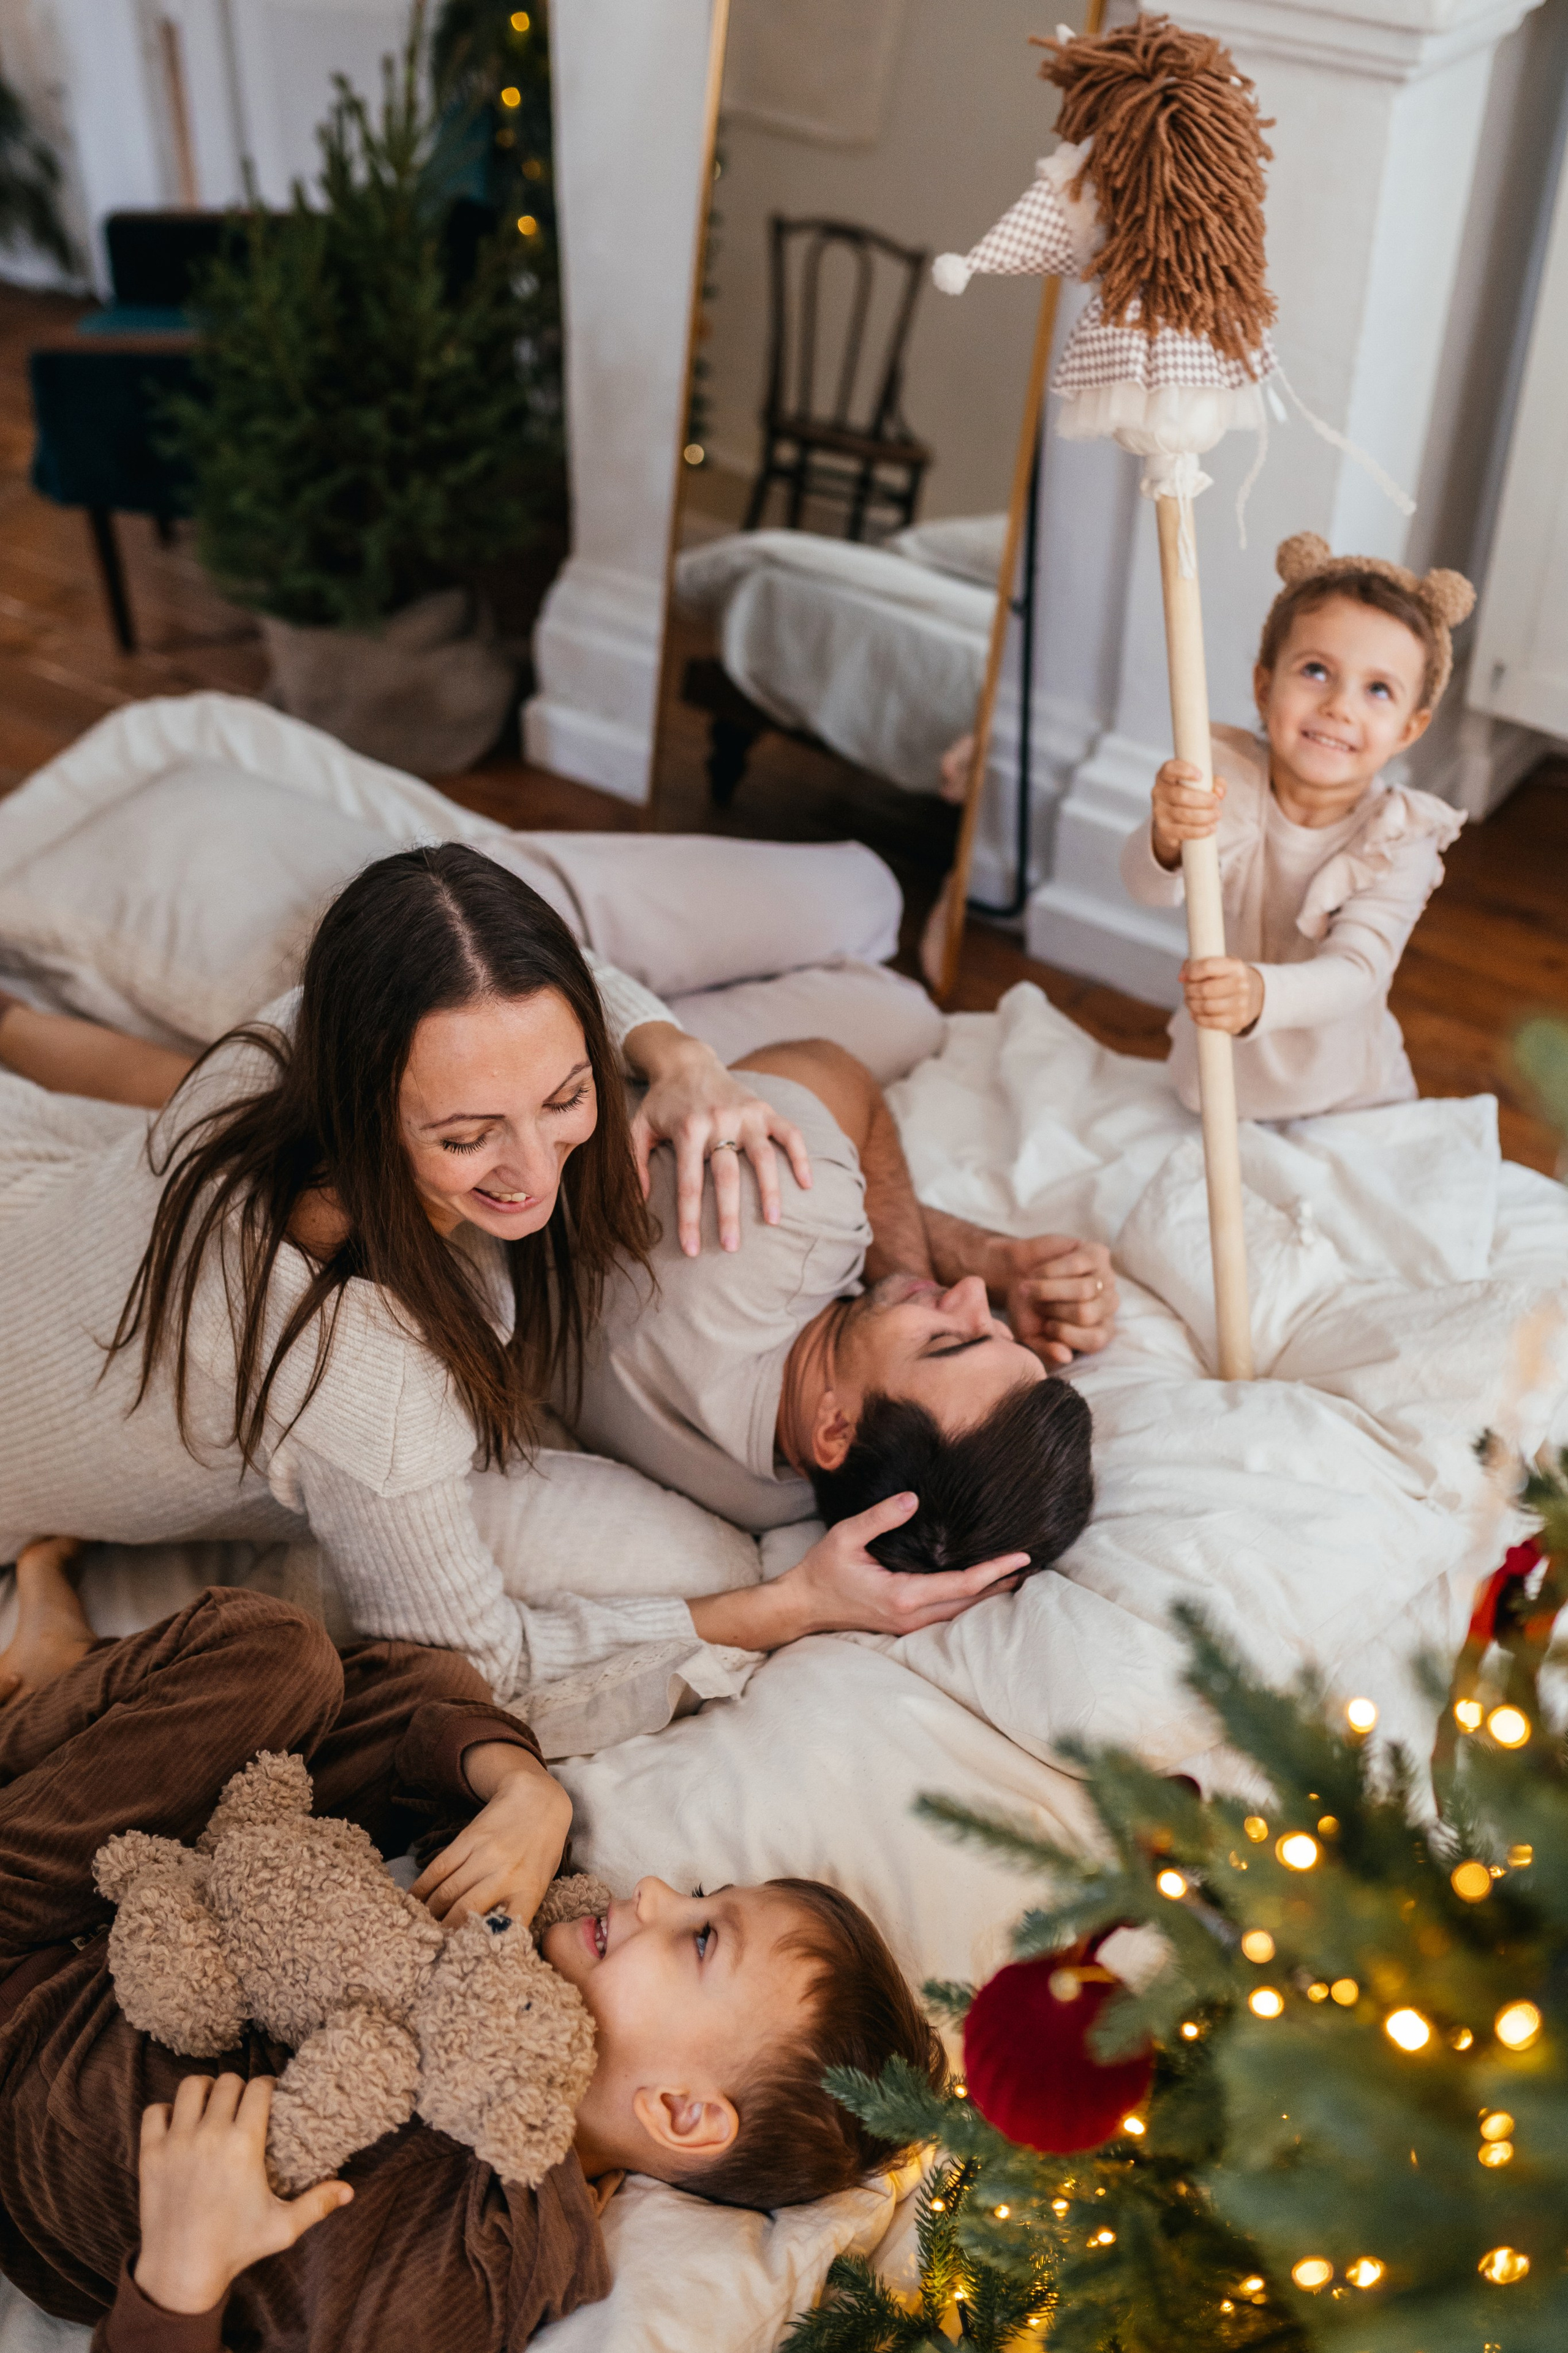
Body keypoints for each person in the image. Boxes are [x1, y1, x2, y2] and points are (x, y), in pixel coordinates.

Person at [4, 844, 1018, 1708]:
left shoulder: (290, 1041)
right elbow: (472, 1669)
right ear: (365, 1107)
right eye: (467, 1136)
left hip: (36, 1191)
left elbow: (538, 983)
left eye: (567, 1097)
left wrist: (678, 1057)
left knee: (884, 995)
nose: (536, 1175)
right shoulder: (365, 1386)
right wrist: (785, 1607)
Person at [0, 1546, 946, 2352]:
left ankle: (47, 1696)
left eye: (701, 1937)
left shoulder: (490, 2255)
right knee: (281, 1657)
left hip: (29, 2049)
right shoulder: (528, 1938)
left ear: (684, 2114)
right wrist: (530, 1794)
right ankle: (52, 1694)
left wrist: (180, 2274)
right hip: (120, 1889)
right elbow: (420, 1699)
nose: (655, 1891)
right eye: (697, 1899)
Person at [563, 1034, 1114, 1595]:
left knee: (902, 1016)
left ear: (835, 1428)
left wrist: (978, 1256)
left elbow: (838, 1071)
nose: (972, 1292)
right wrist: (992, 1264)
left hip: (587, 1048)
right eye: (996, 1328)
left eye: (946, 1341)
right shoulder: (766, 1501)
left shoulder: (800, 1209)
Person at [1120, 532, 1477, 1123]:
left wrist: (1261, 992)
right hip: (1222, 1071)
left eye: (1377, 689)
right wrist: (1165, 840)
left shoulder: (1395, 840)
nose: (1340, 705)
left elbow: (1357, 971)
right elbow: (1147, 888)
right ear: (1265, 688)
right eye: (1316, 670)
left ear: (1409, 730)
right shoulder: (1223, 784)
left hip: (1344, 1094)